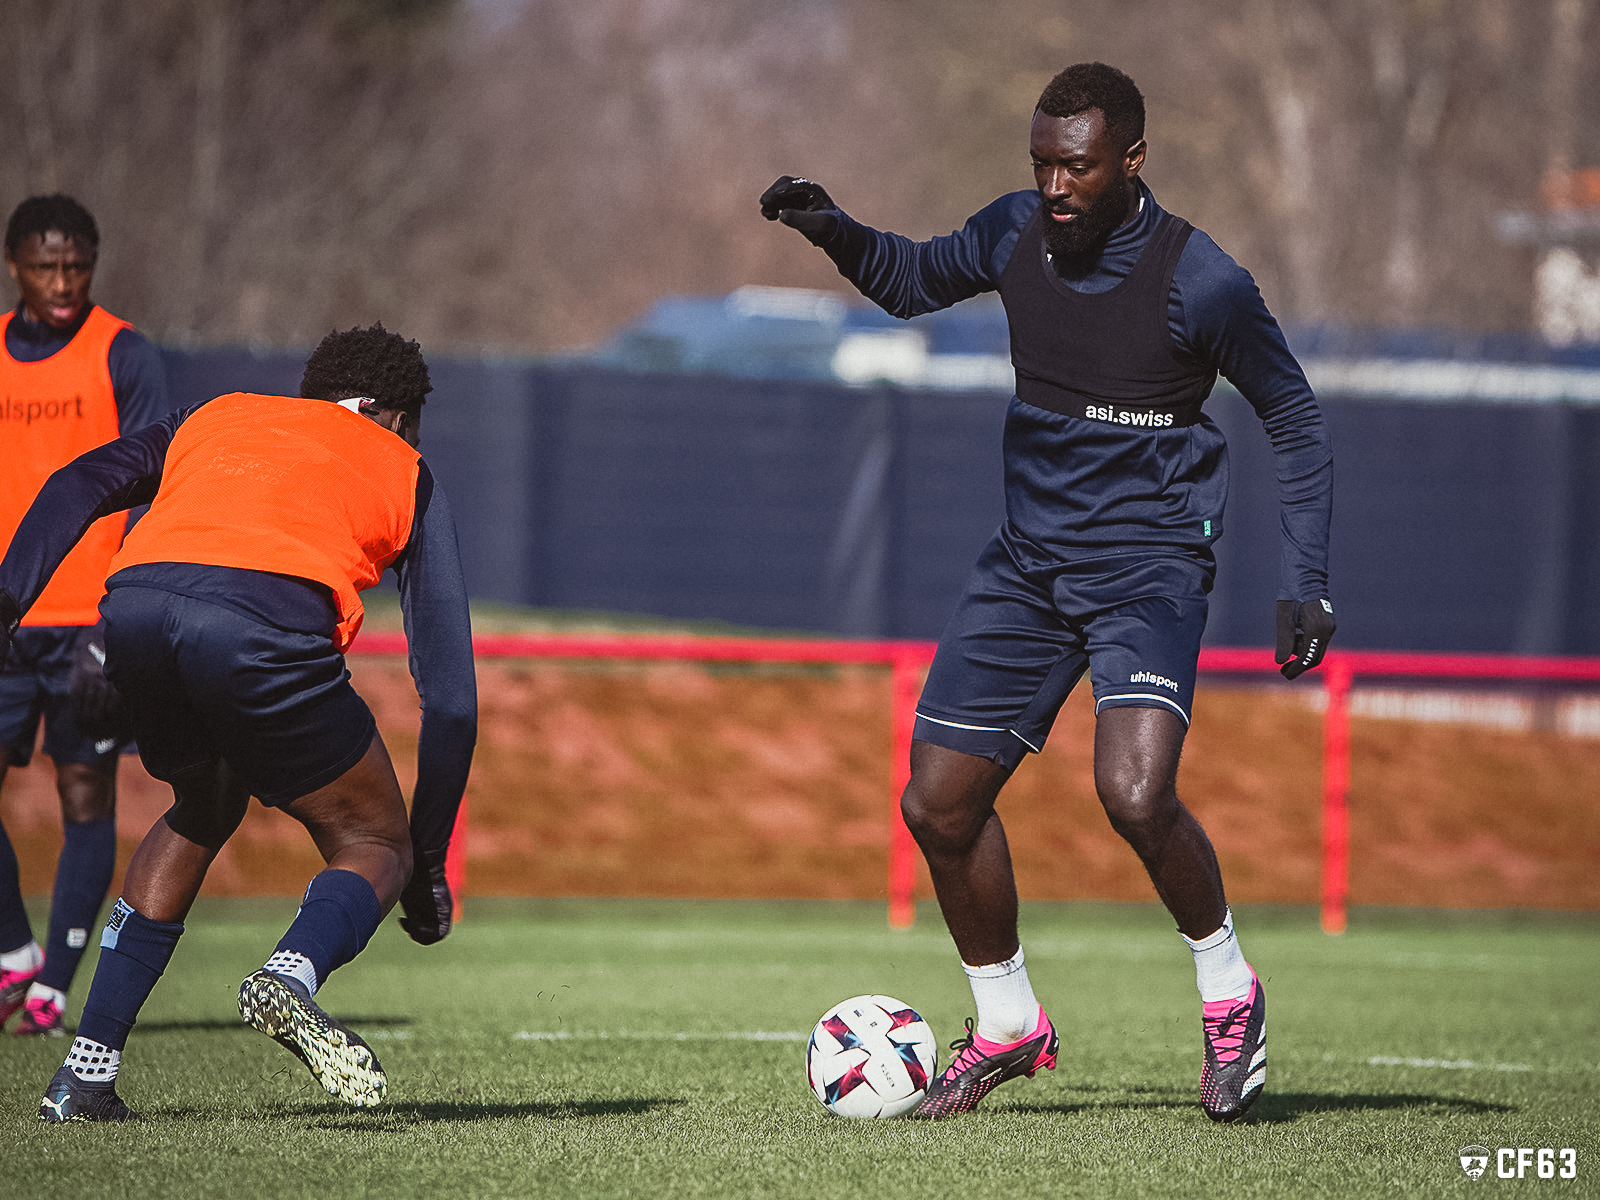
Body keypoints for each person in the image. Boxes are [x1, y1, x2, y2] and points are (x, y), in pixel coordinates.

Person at [762, 62, 1334, 1122]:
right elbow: (911, 279)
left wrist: (1305, 584)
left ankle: (1228, 993)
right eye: (1040, 164)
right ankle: (1008, 1022)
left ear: (1131, 161)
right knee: (936, 803)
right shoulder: (1013, 232)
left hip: (1151, 566)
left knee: (1133, 793)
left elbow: (1293, 420)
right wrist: (831, 227)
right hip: (1027, 566)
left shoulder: (1200, 279)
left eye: (1074, 166)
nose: (1054, 186)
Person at [0, 323, 477, 1122]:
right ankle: (290, 973)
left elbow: (79, 482)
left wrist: (9, 599)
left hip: (133, 611)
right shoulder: (405, 467)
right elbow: (453, 701)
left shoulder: (217, 413)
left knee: (203, 801)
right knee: (374, 843)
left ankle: (83, 1079)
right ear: (397, 418)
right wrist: (425, 867)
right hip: (260, 626)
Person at [0, 194, 168, 1038]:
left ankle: (53, 986)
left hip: (89, 619)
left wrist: (119, 609)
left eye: (75, 266)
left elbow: (149, 485)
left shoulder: (123, 353)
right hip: (7, 614)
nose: (61, 282)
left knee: (84, 794)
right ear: (15, 266)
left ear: (93, 263)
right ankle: (14, 955)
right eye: (44, 265)